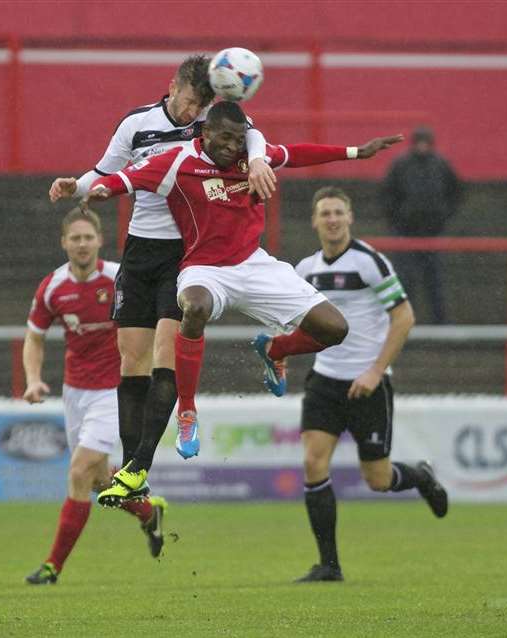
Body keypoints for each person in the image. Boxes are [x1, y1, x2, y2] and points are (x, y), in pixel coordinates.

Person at [85, 100, 404, 503]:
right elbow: (128, 177)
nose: (230, 147)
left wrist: (358, 151)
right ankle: (187, 411)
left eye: (238, 139)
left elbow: (299, 154)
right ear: (205, 135)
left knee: (334, 328)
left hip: (254, 265)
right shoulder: (177, 161)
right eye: (223, 138)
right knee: (193, 307)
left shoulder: (252, 158)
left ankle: (276, 349)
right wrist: (97, 190)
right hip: (204, 268)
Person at [48, 54, 274, 485]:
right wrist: (73, 186)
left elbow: (254, 134)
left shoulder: (210, 124)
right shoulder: (136, 124)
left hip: (186, 251)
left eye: (200, 105)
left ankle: (140, 463)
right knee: (131, 359)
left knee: (164, 353)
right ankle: (132, 474)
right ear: (171, 87)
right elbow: (103, 171)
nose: (192, 112)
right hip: (139, 251)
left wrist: (259, 158)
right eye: (189, 102)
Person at [290, 186, 448, 583]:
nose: (332, 219)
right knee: (312, 462)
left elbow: (405, 317)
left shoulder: (370, 262)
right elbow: (295, 324)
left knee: (377, 480)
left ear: (350, 217)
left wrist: (376, 370)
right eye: (324, 213)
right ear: (314, 221)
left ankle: (421, 477)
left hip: (368, 384)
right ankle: (329, 565)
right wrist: (278, 353)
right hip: (325, 379)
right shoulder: (304, 269)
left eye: (338, 212)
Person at [23, 208, 167, 585]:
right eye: (75, 238)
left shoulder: (120, 279)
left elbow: (151, 322)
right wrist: (33, 379)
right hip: (75, 393)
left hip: (114, 392)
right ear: (64, 243)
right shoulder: (53, 287)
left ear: (99, 240)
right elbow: (34, 337)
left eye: (88, 237)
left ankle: (52, 567)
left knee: (78, 472)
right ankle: (149, 514)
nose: (82, 244)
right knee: (101, 480)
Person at [380, 126, 461, 324]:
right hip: (406, 234)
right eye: (420, 142)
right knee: (406, 282)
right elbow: (387, 195)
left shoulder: (440, 164)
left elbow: (456, 192)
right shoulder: (401, 165)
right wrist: (399, 219)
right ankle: (406, 322)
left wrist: (442, 216)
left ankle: (439, 322)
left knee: (434, 283)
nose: (423, 147)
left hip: (433, 233)